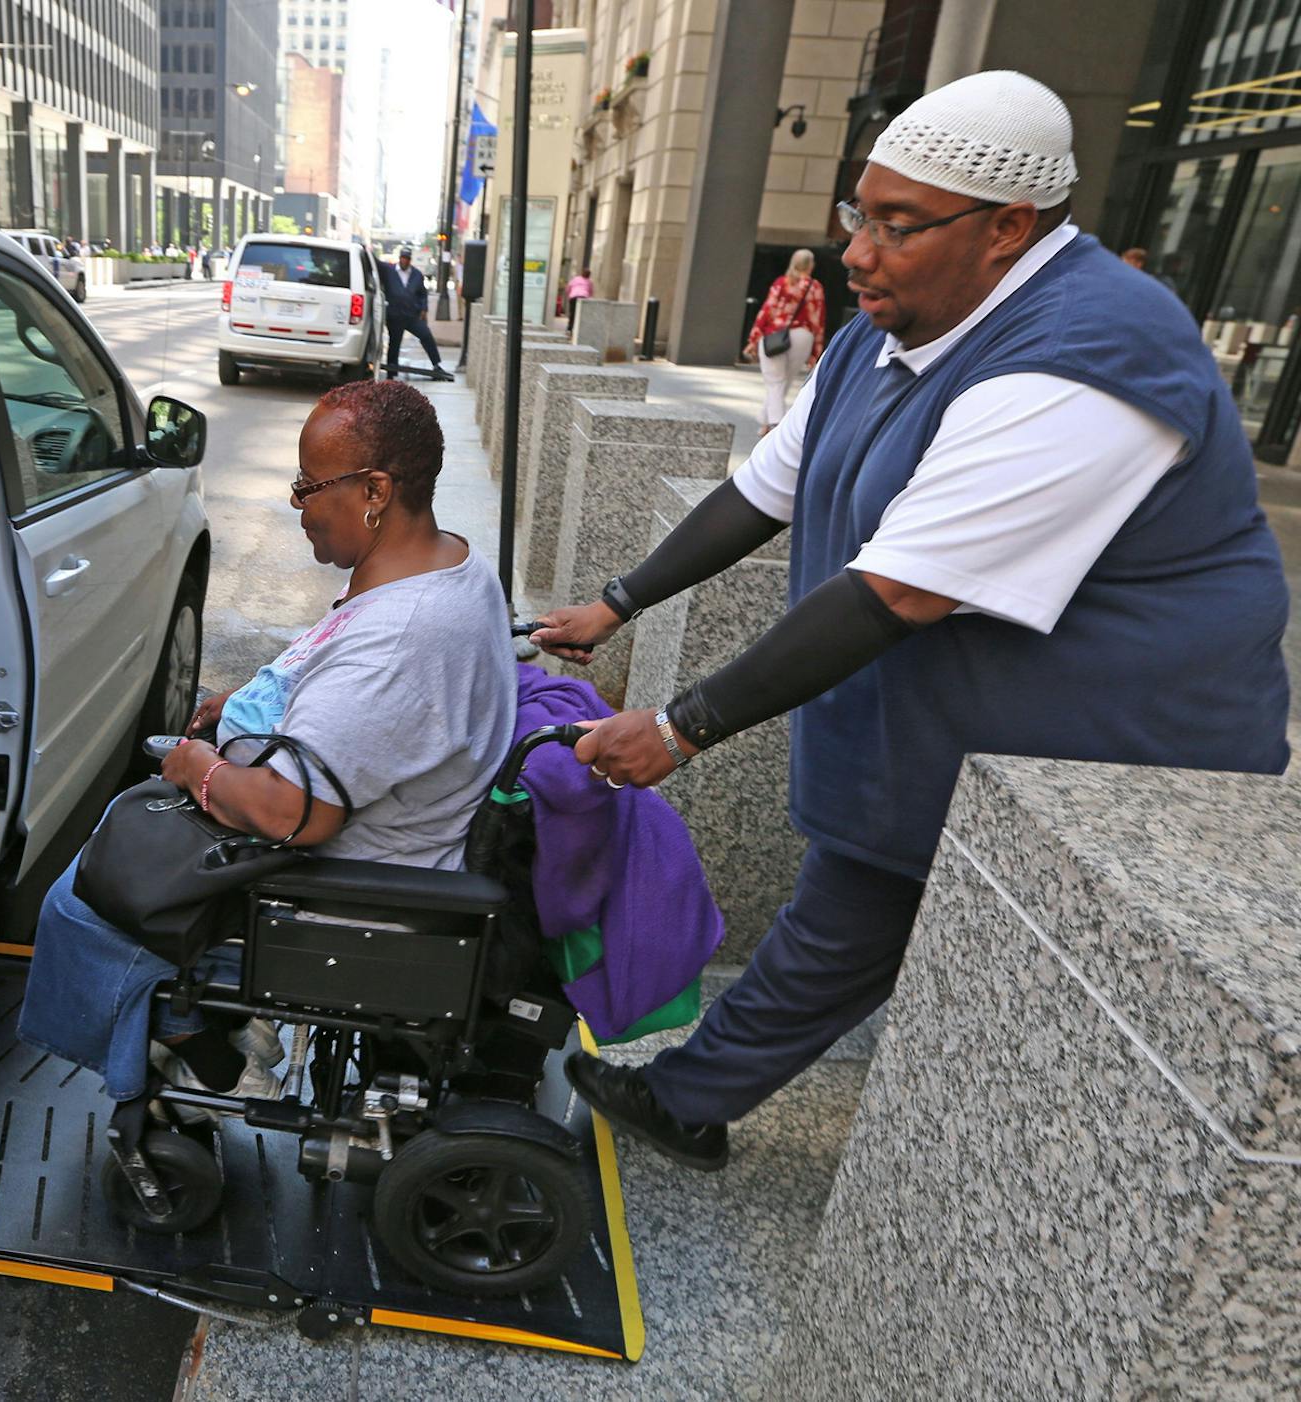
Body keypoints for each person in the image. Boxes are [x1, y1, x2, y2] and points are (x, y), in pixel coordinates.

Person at [529, 70, 1290, 1173]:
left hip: (1114, 762)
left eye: (895, 226)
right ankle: (690, 1099)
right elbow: (764, 490)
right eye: (857, 215)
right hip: (962, 729)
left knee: (1041, 1010)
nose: (856, 252)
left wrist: (682, 725)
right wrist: (616, 601)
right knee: (855, 902)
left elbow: (900, 591)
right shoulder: (883, 334)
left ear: (1007, 229)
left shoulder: (1088, 357)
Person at [18, 379, 514, 1106]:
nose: (296, 503)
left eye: (312, 486)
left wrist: (199, 770)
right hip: (376, 830)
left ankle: (194, 1038)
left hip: (344, 881)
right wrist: (249, 700)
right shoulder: (446, 561)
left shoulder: (405, 637)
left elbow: (294, 814)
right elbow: (340, 682)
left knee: (81, 899)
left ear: (375, 489)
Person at [744, 248, 827, 432]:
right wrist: (816, 351)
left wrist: (754, 337)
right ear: (810, 265)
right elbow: (817, 319)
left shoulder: (782, 283)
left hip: (776, 334)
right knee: (784, 381)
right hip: (803, 337)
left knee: (775, 381)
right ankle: (765, 422)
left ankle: (776, 424)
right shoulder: (815, 287)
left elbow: (767, 310)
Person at [377, 247, 452, 381]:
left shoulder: (417, 275)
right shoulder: (389, 271)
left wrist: (424, 309)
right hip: (395, 316)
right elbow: (376, 264)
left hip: (412, 315)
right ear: (399, 258)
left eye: (407, 258)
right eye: (402, 258)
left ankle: (436, 364)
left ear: (410, 260)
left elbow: (423, 294)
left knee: (426, 335)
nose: (404, 261)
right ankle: (391, 371)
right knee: (394, 343)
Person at [563, 265, 595, 337]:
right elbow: (591, 292)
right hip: (583, 297)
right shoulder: (590, 282)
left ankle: (569, 329)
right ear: (589, 275)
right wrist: (589, 297)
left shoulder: (576, 279)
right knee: (581, 315)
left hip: (573, 297)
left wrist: (569, 295)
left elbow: (568, 287)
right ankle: (580, 330)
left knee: (572, 314)